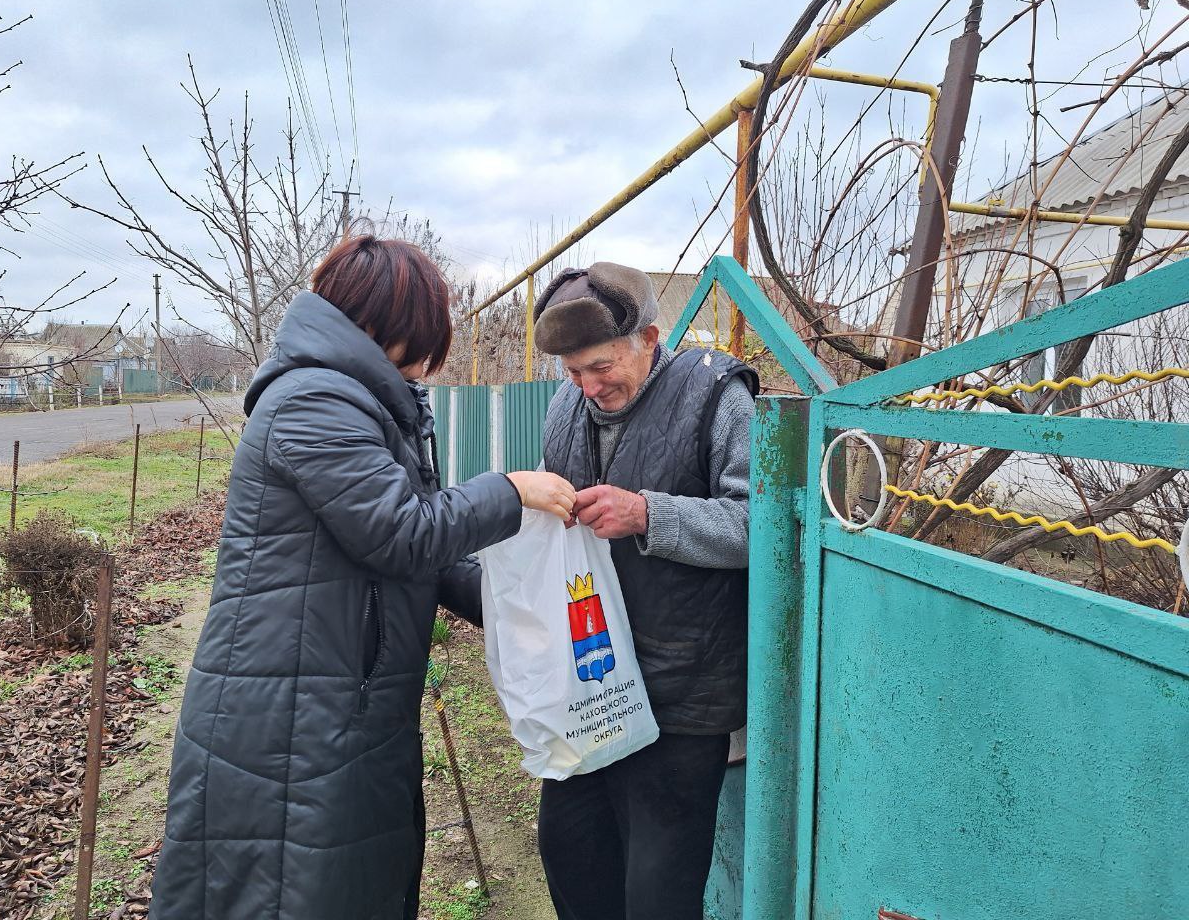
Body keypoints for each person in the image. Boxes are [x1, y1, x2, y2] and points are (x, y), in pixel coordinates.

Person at [148, 235, 576, 920]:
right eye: (426, 332)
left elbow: (420, 556)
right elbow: (402, 531)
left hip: (336, 700)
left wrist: (530, 609)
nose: (428, 358)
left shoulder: (362, 399)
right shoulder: (313, 401)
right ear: (385, 321)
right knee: (291, 893)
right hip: (290, 718)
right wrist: (511, 491)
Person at [532, 262, 758, 920]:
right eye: (572, 372)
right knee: (570, 854)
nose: (587, 386)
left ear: (651, 338)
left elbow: (761, 527)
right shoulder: (564, 408)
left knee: (658, 890)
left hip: (681, 695)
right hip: (591, 682)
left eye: (600, 366)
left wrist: (650, 516)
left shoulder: (718, 397)